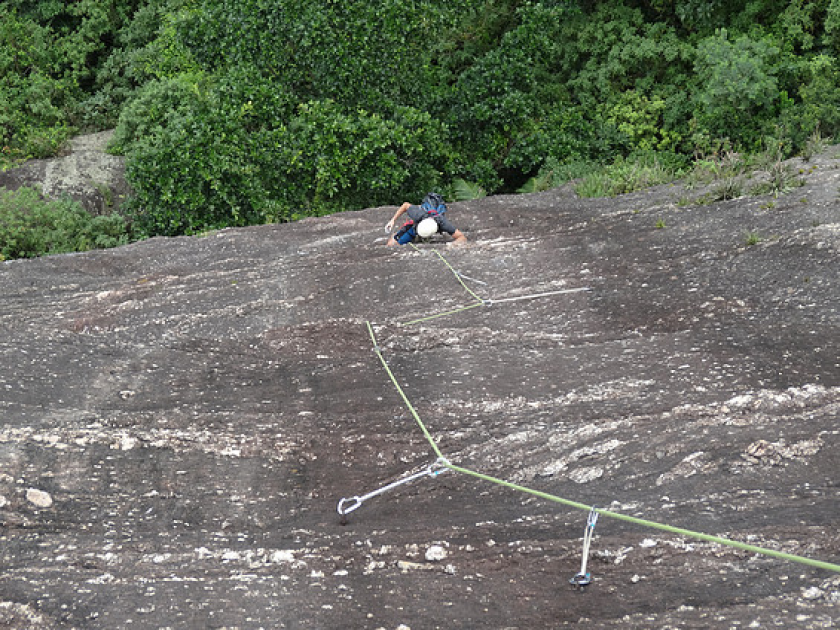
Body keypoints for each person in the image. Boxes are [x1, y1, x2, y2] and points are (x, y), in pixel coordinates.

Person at [385, 193, 467, 247]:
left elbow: (461, 237)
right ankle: (403, 232)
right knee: (391, 245)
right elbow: (405, 205)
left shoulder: (442, 223)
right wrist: (392, 220)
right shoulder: (418, 215)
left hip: (432, 220)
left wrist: (452, 245)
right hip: (418, 223)